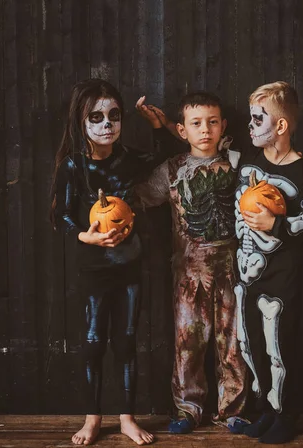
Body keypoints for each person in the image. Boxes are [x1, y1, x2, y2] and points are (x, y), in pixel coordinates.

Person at [49, 79, 179, 446]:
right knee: (93, 342)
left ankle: (126, 417)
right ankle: (92, 419)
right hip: (93, 269)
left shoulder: (128, 160)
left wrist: (156, 124)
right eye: (97, 117)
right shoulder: (74, 166)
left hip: (129, 265)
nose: (107, 124)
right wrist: (85, 236)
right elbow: (61, 215)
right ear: (80, 121)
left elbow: (165, 152)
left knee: (125, 341)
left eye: (114, 116)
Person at [135, 92, 248, 434]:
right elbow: (137, 196)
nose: (205, 130)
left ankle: (233, 410)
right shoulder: (172, 169)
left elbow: (272, 176)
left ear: (223, 126)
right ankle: (188, 408)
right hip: (188, 274)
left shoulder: (238, 163)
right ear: (182, 131)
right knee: (189, 344)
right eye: (196, 123)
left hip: (233, 271)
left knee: (235, 345)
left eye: (212, 122)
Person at [232, 81, 303, 444]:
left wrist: (278, 224)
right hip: (247, 270)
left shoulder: (302, 172)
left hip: (282, 276)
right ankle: (268, 410)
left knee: (279, 345)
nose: (251, 126)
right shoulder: (251, 162)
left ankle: (287, 415)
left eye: (259, 119)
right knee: (250, 342)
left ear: (281, 126)